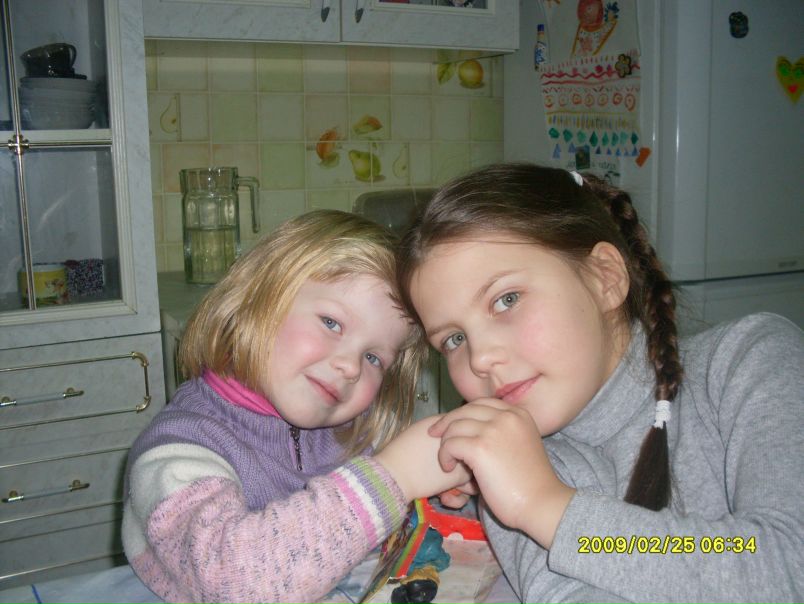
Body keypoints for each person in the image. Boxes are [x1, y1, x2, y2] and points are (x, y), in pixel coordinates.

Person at [395, 163, 804, 603]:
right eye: (454, 339)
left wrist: (547, 506)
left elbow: (788, 566)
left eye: (506, 299)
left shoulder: (750, 360)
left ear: (605, 278)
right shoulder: (515, 456)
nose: (479, 358)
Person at [122, 210, 469, 604]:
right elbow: (235, 582)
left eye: (374, 357)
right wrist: (396, 476)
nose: (351, 366)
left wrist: (433, 486)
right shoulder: (176, 453)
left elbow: (365, 529)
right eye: (331, 323)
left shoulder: (351, 433)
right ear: (255, 299)